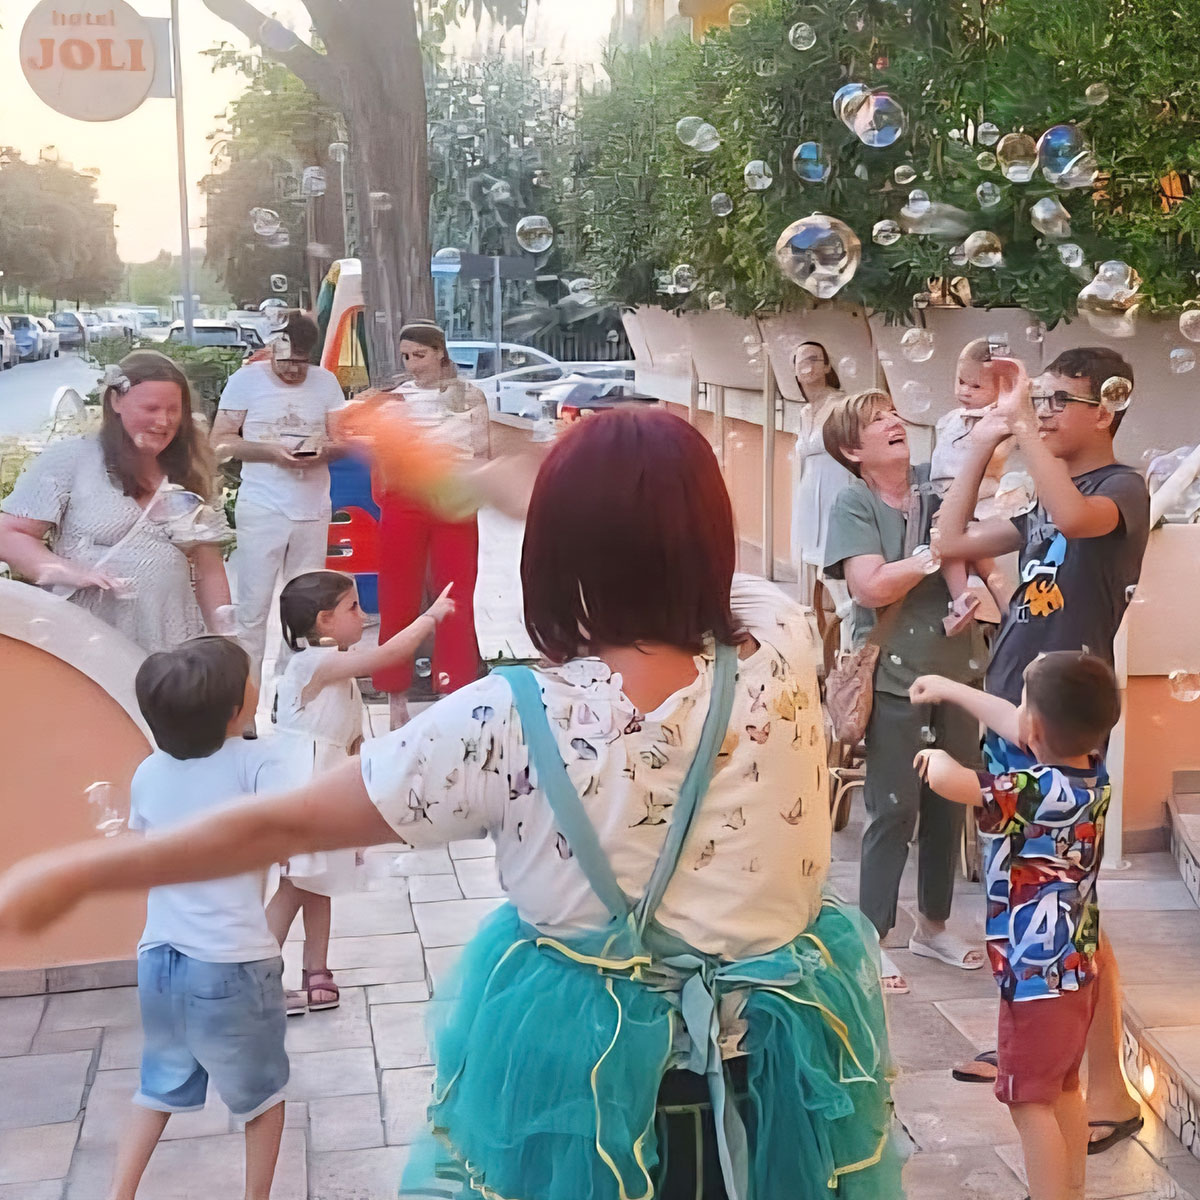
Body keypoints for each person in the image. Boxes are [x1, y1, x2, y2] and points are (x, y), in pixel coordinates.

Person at [0, 408, 900, 1200]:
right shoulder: (778, 631)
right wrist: (475, 478)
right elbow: (644, 531)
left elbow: (283, 822)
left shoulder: (502, 723)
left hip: (588, 1095)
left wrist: (85, 872)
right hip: (775, 1071)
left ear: (557, 550)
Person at [936, 346, 1148, 1152]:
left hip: (1061, 727)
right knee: (1027, 896)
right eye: (1042, 397)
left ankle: (1106, 1086)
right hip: (1014, 715)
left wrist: (1023, 424)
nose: (1046, 410)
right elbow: (949, 539)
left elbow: (1075, 519)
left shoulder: (1118, 489)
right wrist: (986, 440)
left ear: (1106, 410)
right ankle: (1036, 1034)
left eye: (1062, 399)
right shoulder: (1042, 501)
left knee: (1070, 908)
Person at [911, 652, 1121, 1200]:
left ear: (1036, 731)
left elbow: (956, 782)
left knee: (1028, 1101)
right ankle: (1069, 1191)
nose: (1016, 714)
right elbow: (1014, 720)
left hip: (1035, 979)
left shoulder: (1034, 789)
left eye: (1024, 705)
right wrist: (950, 687)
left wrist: (934, 758)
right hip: (1075, 971)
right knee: (1063, 1089)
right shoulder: (1091, 772)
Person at [111, 636, 294, 1200]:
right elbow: (295, 829)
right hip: (232, 963)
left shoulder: (148, 771)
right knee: (263, 1099)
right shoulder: (257, 762)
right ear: (236, 709)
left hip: (159, 958)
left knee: (157, 1087)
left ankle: (118, 1193)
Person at [823, 389, 988, 992]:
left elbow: (973, 545)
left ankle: (934, 926)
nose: (895, 422)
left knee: (950, 801)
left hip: (957, 670)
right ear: (853, 450)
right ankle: (874, 937)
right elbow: (870, 587)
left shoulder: (934, 483)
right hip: (894, 676)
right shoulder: (855, 502)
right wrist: (932, 554)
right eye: (876, 420)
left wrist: (966, 589)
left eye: (893, 413)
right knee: (893, 808)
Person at [266, 569, 456, 1014]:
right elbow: (389, 655)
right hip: (305, 788)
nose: (364, 614)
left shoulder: (335, 665)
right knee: (294, 886)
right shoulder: (313, 663)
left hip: (327, 786)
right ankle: (256, 976)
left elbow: (351, 736)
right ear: (324, 620)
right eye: (353, 607)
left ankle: (316, 969)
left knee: (320, 882)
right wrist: (430, 616)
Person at [0, 350, 231, 654]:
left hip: (169, 646)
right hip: (85, 642)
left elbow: (209, 570)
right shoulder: (72, 459)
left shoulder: (191, 472)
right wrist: (67, 570)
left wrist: (227, 645)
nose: (163, 421)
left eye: (173, 410)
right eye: (151, 408)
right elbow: (9, 534)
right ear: (116, 401)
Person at [210, 310, 346, 693]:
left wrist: (323, 452)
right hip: (263, 505)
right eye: (285, 361)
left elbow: (343, 440)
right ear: (272, 347)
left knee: (306, 606)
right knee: (253, 608)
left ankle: (290, 692)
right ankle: (247, 697)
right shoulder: (246, 381)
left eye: (301, 362)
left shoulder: (326, 383)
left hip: (312, 506)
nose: (292, 370)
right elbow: (219, 442)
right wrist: (270, 452)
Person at [373, 322, 490, 728]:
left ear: (440, 352)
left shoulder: (470, 395)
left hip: (454, 497)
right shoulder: (396, 400)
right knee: (397, 595)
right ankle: (395, 696)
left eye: (419, 355)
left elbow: (481, 452)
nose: (412, 364)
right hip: (406, 499)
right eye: (406, 356)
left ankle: (453, 689)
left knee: (456, 595)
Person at [929, 337, 1012, 631]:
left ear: (1002, 390)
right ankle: (1001, 607)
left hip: (976, 497)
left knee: (949, 543)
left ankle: (965, 600)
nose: (965, 390)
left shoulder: (997, 421)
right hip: (950, 494)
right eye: (961, 381)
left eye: (976, 386)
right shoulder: (951, 419)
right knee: (977, 556)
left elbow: (995, 461)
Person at [789, 341, 850, 600]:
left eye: (815, 359)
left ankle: (849, 618)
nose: (808, 365)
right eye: (802, 360)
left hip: (837, 489)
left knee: (837, 562)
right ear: (795, 370)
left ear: (827, 367)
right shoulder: (803, 412)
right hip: (810, 493)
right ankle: (830, 618)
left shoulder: (842, 404)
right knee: (815, 560)